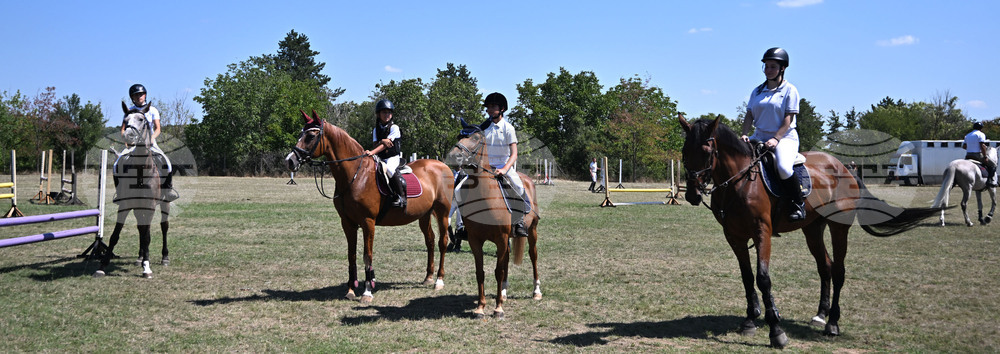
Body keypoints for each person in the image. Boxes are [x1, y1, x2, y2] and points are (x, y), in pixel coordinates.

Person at [740, 47, 804, 221]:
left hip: (784, 138)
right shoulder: (757, 91)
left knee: (783, 168)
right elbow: (749, 115)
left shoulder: (790, 90)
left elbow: (788, 119)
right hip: (759, 135)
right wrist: (745, 134)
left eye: (772, 66)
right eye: (766, 66)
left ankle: (798, 204)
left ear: (782, 68)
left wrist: (776, 139)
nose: (768, 70)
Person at [480, 92, 529, 237]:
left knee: (519, 187)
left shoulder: (508, 128)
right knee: (460, 189)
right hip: (485, 168)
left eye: (493, 106)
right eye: (488, 107)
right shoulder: (484, 128)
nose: (489, 109)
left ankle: (518, 222)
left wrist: (504, 169)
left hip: (503, 165)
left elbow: (514, 153)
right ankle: (462, 225)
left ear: (501, 108)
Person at [118, 84, 177, 202]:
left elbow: (158, 128)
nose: (139, 96)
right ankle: (120, 193)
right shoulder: (129, 111)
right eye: (136, 95)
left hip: (150, 143)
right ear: (132, 97)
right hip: (132, 144)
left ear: (145, 95)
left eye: (141, 94)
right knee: (117, 164)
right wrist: (126, 140)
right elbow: (123, 129)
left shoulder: (153, 110)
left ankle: (168, 190)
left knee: (167, 162)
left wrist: (152, 139)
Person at [364, 99, 406, 208]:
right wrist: (383, 141)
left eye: (389, 112)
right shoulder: (375, 130)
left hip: (393, 157)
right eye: (384, 112)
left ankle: (401, 197)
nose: (387, 115)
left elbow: (385, 145)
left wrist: (373, 152)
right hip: (380, 157)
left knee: (390, 170)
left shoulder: (394, 128)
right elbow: (376, 144)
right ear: (378, 114)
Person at [963, 122, 997, 187]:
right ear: (981, 128)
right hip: (977, 155)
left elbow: (964, 146)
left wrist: (971, 147)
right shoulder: (981, 134)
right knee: (993, 165)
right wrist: (985, 157)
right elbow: (982, 146)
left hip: (968, 155)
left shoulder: (967, 135)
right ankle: (990, 181)